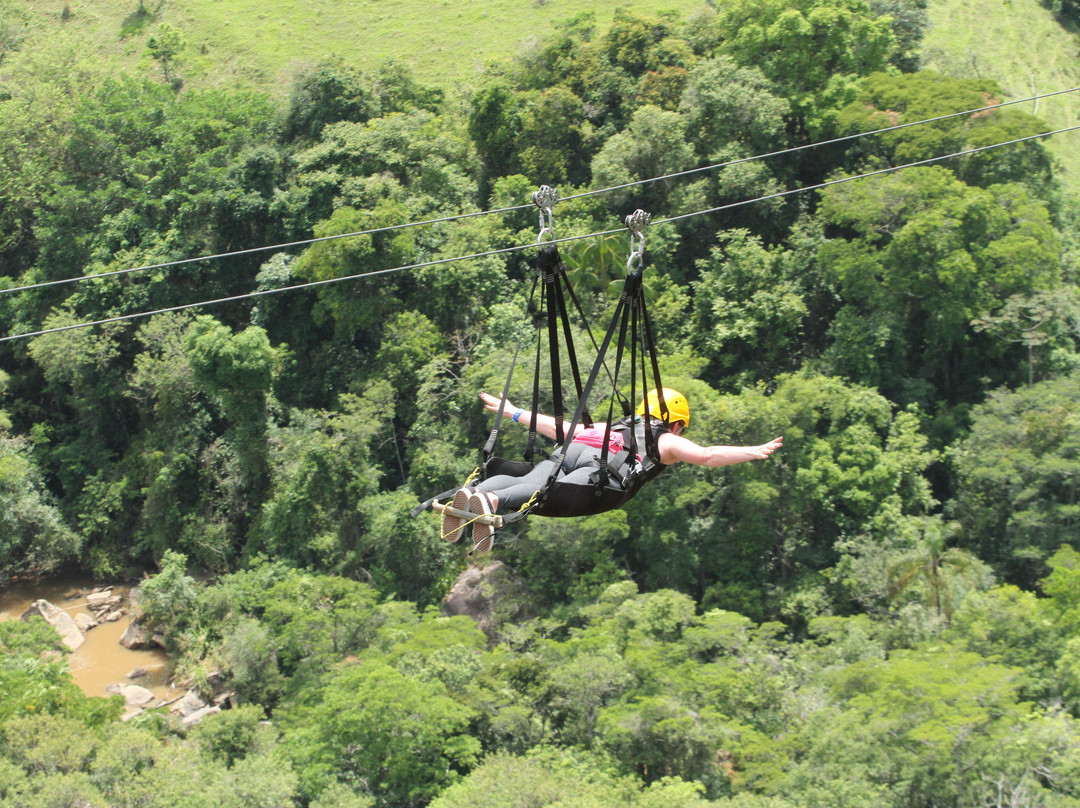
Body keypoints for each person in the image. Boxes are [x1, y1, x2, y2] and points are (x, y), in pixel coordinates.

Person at [442, 388, 783, 550]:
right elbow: (707, 455)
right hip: (601, 473)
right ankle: (493, 503)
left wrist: (515, 413)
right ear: (675, 424)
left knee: (534, 478)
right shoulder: (663, 441)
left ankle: (479, 493)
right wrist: (751, 451)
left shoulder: (616, 425)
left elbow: (562, 430)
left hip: (574, 450)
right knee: (545, 492)